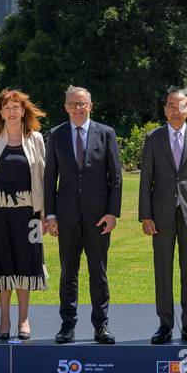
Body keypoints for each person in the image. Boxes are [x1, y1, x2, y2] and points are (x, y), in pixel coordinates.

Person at [44, 86, 122, 345]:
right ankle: (68, 326)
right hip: (66, 217)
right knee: (68, 273)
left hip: (98, 218)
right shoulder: (56, 134)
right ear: (66, 107)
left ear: (91, 105)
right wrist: (50, 215)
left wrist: (112, 213)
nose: (78, 108)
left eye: (82, 103)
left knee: (98, 274)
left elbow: (116, 178)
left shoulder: (106, 133)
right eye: (73, 103)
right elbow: (49, 178)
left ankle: (101, 325)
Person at [0, 89, 49, 341]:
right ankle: (4, 319)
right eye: (7, 107)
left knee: (27, 264)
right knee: (2, 263)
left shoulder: (36, 138)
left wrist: (45, 214)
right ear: (0, 113)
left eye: (16, 107)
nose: (12, 112)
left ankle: (24, 319)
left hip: (30, 213)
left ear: (23, 110)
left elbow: (44, 179)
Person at [139, 88, 187, 344]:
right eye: (170, 105)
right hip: (160, 216)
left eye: (180, 105)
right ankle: (165, 323)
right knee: (163, 270)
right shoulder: (153, 138)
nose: (175, 110)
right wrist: (145, 216)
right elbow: (145, 180)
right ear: (165, 110)